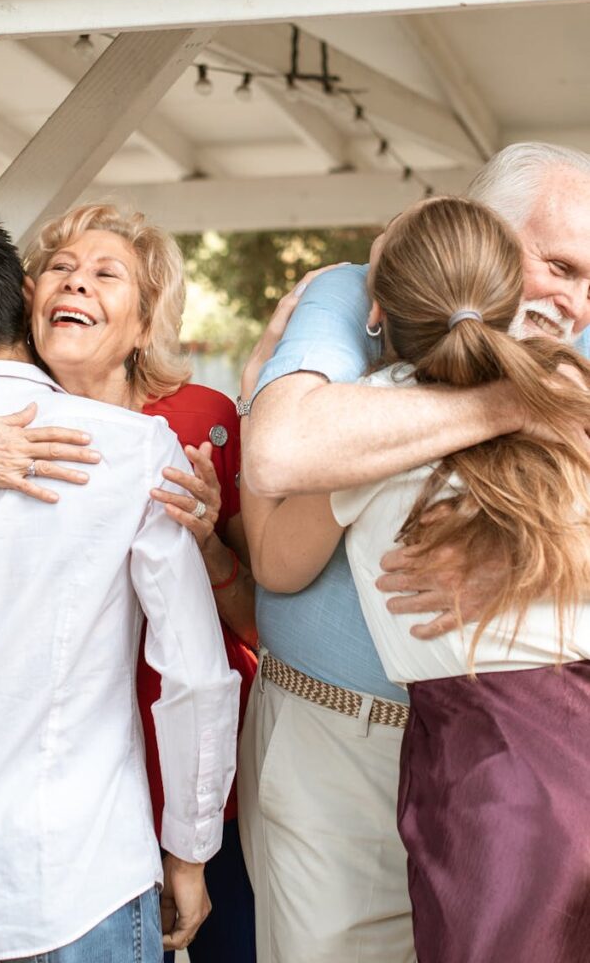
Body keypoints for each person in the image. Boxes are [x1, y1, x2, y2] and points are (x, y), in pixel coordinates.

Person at [237, 142, 590, 963]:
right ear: (485, 232)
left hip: (500, 764)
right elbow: (281, 454)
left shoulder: (557, 344)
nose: (577, 306)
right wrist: (517, 401)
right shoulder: (347, 295)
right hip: (344, 742)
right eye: (560, 267)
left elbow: (280, 530)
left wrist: (549, 558)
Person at [0, 204, 257, 963]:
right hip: (82, 865)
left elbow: (243, 634)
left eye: (106, 274)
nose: (78, 283)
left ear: (143, 326)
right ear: (25, 298)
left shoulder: (182, 432)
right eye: (62, 269)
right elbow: (197, 677)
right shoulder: (135, 450)